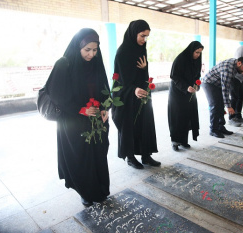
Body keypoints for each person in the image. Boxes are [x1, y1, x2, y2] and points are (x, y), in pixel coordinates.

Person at [48, 28, 110, 207]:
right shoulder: (64, 63)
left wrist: (106, 107)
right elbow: (56, 95)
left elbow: (104, 87)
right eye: (87, 50)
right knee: (81, 157)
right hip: (73, 122)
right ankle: (85, 191)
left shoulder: (97, 62)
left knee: (98, 154)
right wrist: (80, 109)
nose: (92, 54)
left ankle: (100, 190)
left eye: (95, 49)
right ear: (78, 47)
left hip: (97, 119)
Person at [112, 20, 160, 169]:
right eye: (142, 35)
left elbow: (143, 75)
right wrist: (133, 90)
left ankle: (146, 155)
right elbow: (121, 80)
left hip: (142, 95)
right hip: (126, 97)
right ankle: (130, 157)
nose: (144, 40)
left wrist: (145, 69)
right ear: (134, 33)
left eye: (146, 37)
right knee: (130, 126)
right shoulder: (122, 52)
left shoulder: (141, 49)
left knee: (144, 124)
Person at [201, 57, 243, 138]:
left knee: (221, 105)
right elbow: (225, 88)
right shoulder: (228, 69)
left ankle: (220, 127)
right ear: (239, 63)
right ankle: (213, 129)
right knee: (215, 105)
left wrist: (226, 104)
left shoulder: (235, 64)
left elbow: (226, 86)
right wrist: (229, 106)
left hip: (218, 84)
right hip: (209, 83)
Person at [168, 41, 204, 151]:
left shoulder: (197, 60)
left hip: (190, 91)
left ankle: (183, 141)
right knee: (178, 116)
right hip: (178, 92)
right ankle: (175, 141)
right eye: (196, 52)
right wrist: (186, 87)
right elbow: (174, 76)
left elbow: (197, 76)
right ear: (191, 50)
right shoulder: (181, 59)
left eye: (200, 53)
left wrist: (196, 86)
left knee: (188, 115)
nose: (198, 55)